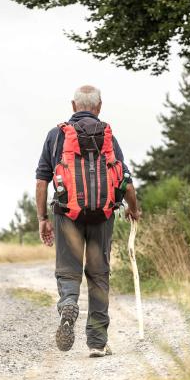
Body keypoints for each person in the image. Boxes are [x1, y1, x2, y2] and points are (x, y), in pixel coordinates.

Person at [35, 85, 141, 358]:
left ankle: (69, 303)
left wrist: (42, 218)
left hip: (66, 214)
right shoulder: (108, 135)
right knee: (98, 276)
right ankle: (96, 341)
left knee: (68, 270)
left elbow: (41, 180)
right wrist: (133, 209)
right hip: (102, 215)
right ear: (99, 106)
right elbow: (125, 180)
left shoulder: (56, 135)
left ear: (73, 106)